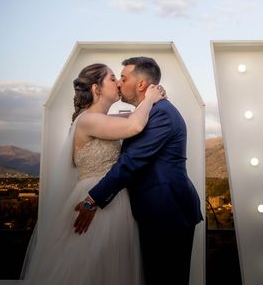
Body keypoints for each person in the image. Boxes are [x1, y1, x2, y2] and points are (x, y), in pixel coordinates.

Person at [21, 63, 166, 284]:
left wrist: (149, 98)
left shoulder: (101, 119)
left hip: (111, 198)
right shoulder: (88, 120)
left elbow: (134, 117)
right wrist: (149, 99)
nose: (117, 82)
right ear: (97, 89)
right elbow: (134, 127)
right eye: (111, 78)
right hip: (96, 201)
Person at [73, 56, 203, 285]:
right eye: (116, 79)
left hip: (166, 212)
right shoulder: (146, 112)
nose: (119, 83)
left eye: (123, 78)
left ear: (141, 84)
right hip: (151, 212)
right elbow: (122, 122)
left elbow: (131, 163)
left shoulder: (161, 113)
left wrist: (93, 199)